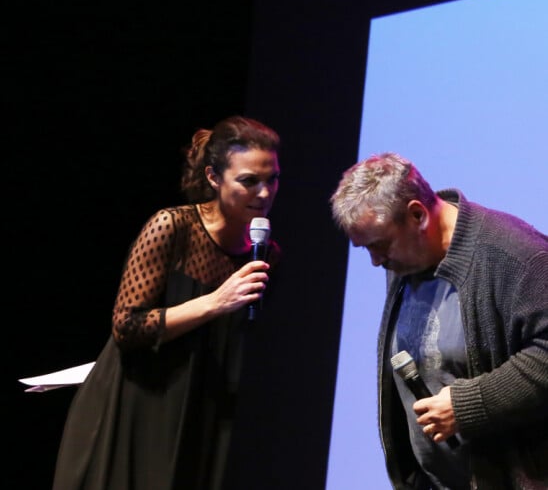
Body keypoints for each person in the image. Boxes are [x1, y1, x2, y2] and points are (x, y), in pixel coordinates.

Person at [52, 116, 282, 490]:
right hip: (137, 403)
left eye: (272, 179)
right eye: (249, 181)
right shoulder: (171, 227)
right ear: (213, 177)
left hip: (199, 412)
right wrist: (215, 302)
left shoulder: (266, 253)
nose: (264, 193)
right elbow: (127, 326)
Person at [330, 152, 548, 490]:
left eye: (379, 246)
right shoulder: (407, 259)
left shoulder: (514, 255)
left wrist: (467, 404)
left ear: (417, 214)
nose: (375, 262)